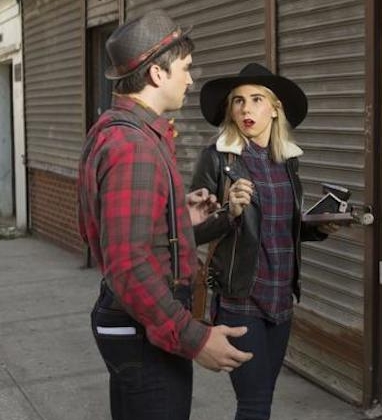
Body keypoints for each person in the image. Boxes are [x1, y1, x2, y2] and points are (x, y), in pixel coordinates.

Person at [77, 10, 253, 420]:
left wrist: (175, 218)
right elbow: (127, 263)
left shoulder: (122, 130)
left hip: (135, 323)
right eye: (186, 69)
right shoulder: (134, 147)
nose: (191, 80)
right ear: (157, 73)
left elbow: (113, 232)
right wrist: (194, 337)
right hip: (143, 330)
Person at [191, 62, 339, 420]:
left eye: (257, 99)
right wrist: (229, 211)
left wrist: (321, 227)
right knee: (254, 405)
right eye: (238, 101)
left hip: (281, 297)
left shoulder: (287, 161)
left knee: (264, 399)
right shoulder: (217, 159)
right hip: (241, 298)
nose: (246, 109)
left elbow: (280, 227)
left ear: (275, 108)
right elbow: (191, 230)